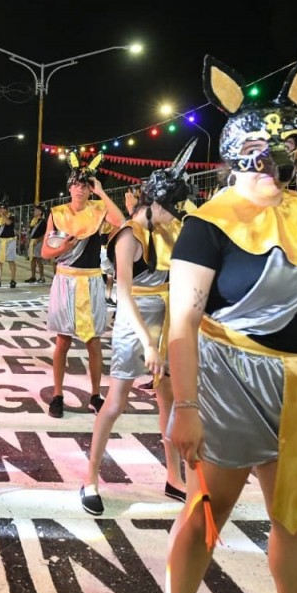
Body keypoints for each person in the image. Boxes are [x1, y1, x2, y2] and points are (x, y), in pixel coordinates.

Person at [166, 40, 297, 593]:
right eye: (259, 147)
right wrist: (186, 405)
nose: (276, 159)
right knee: (208, 511)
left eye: (288, 145)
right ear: (234, 152)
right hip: (228, 377)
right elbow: (183, 322)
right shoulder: (207, 224)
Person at [80, 139, 197, 516]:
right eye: (173, 208)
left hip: (167, 316)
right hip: (137, 322)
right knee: (115, 402)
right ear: (158, 204)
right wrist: (148, 343)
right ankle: (90, 478)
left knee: (169, 401)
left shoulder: (172, 229)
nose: (176, 214)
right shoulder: (129, 235)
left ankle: (173, 477)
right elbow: (125, 295)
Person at [41, 153, 125, 418]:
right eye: (76, 184)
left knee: (94, 342)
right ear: (69, 187)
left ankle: (95, 395)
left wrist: (101, 190)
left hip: (90, 281)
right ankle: (57, 395)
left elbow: (121, 221)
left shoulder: (98, 211)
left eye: (85, 184)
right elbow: (45, 252)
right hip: (65, 280)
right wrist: (63, 247)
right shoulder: (57, 214)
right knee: (62, 342)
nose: (80, 188)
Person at [0, 201, 17, 287]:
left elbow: (9, 223)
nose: (1, 210)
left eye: (3, 208)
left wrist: (2, 215)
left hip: (10, 241)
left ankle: (13, 280)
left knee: (11, 261)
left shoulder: (11, 215)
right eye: (0, 208)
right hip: (0, 240)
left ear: (6, 209)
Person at [24, 204, 48, 283]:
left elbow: (46, 233)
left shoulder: (43, 221)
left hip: (39, 242)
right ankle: (33, 276)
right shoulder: (34, 220)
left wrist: (38, 240)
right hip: (32, 241)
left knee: (38, 260)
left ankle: (42, 277)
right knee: (32, 260)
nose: (34, 212)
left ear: (40, 212)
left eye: (36, 210)